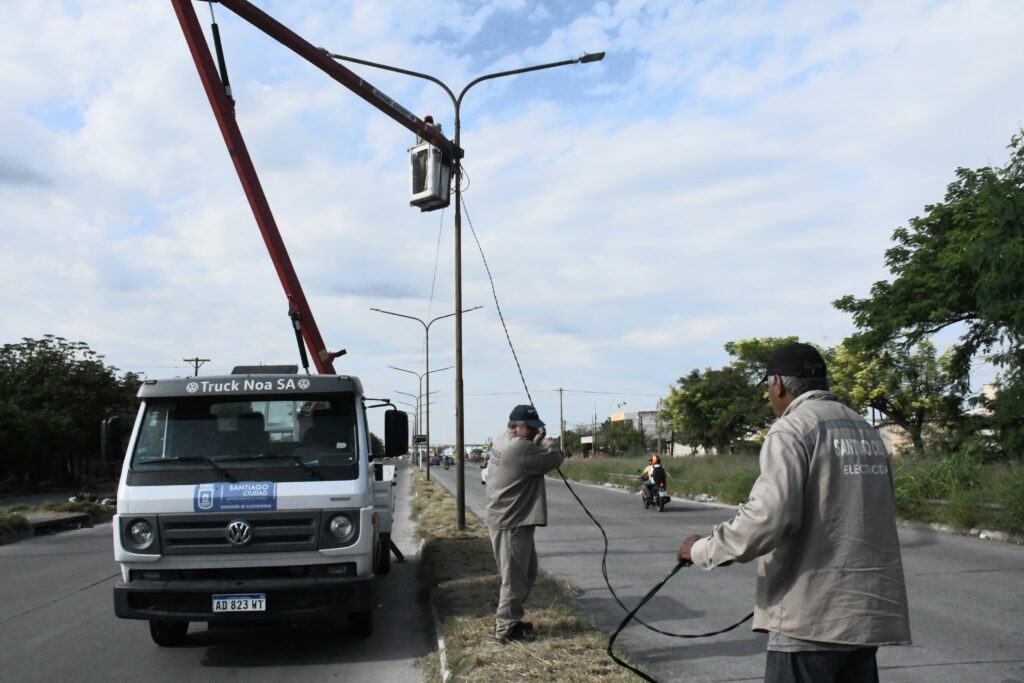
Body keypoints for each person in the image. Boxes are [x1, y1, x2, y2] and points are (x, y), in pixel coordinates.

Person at [677, 342, 911, 683]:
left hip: (811, 623)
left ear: (778, 385)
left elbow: (768, 517)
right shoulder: (866, 431)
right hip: (864, 621)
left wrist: (701, 550)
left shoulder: (792, 429)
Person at [485, 404, 564, 644]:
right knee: (514, 579)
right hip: (512, 523)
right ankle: (504, 630)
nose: (532, 432)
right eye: (529, 428)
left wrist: (534, 439)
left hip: (509, 519)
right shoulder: (521, 449)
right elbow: (556, 457)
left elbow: (529, 447)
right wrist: (546, 440)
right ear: (517, 427)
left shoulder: (502, 440)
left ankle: (513, 620)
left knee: (526, 572)